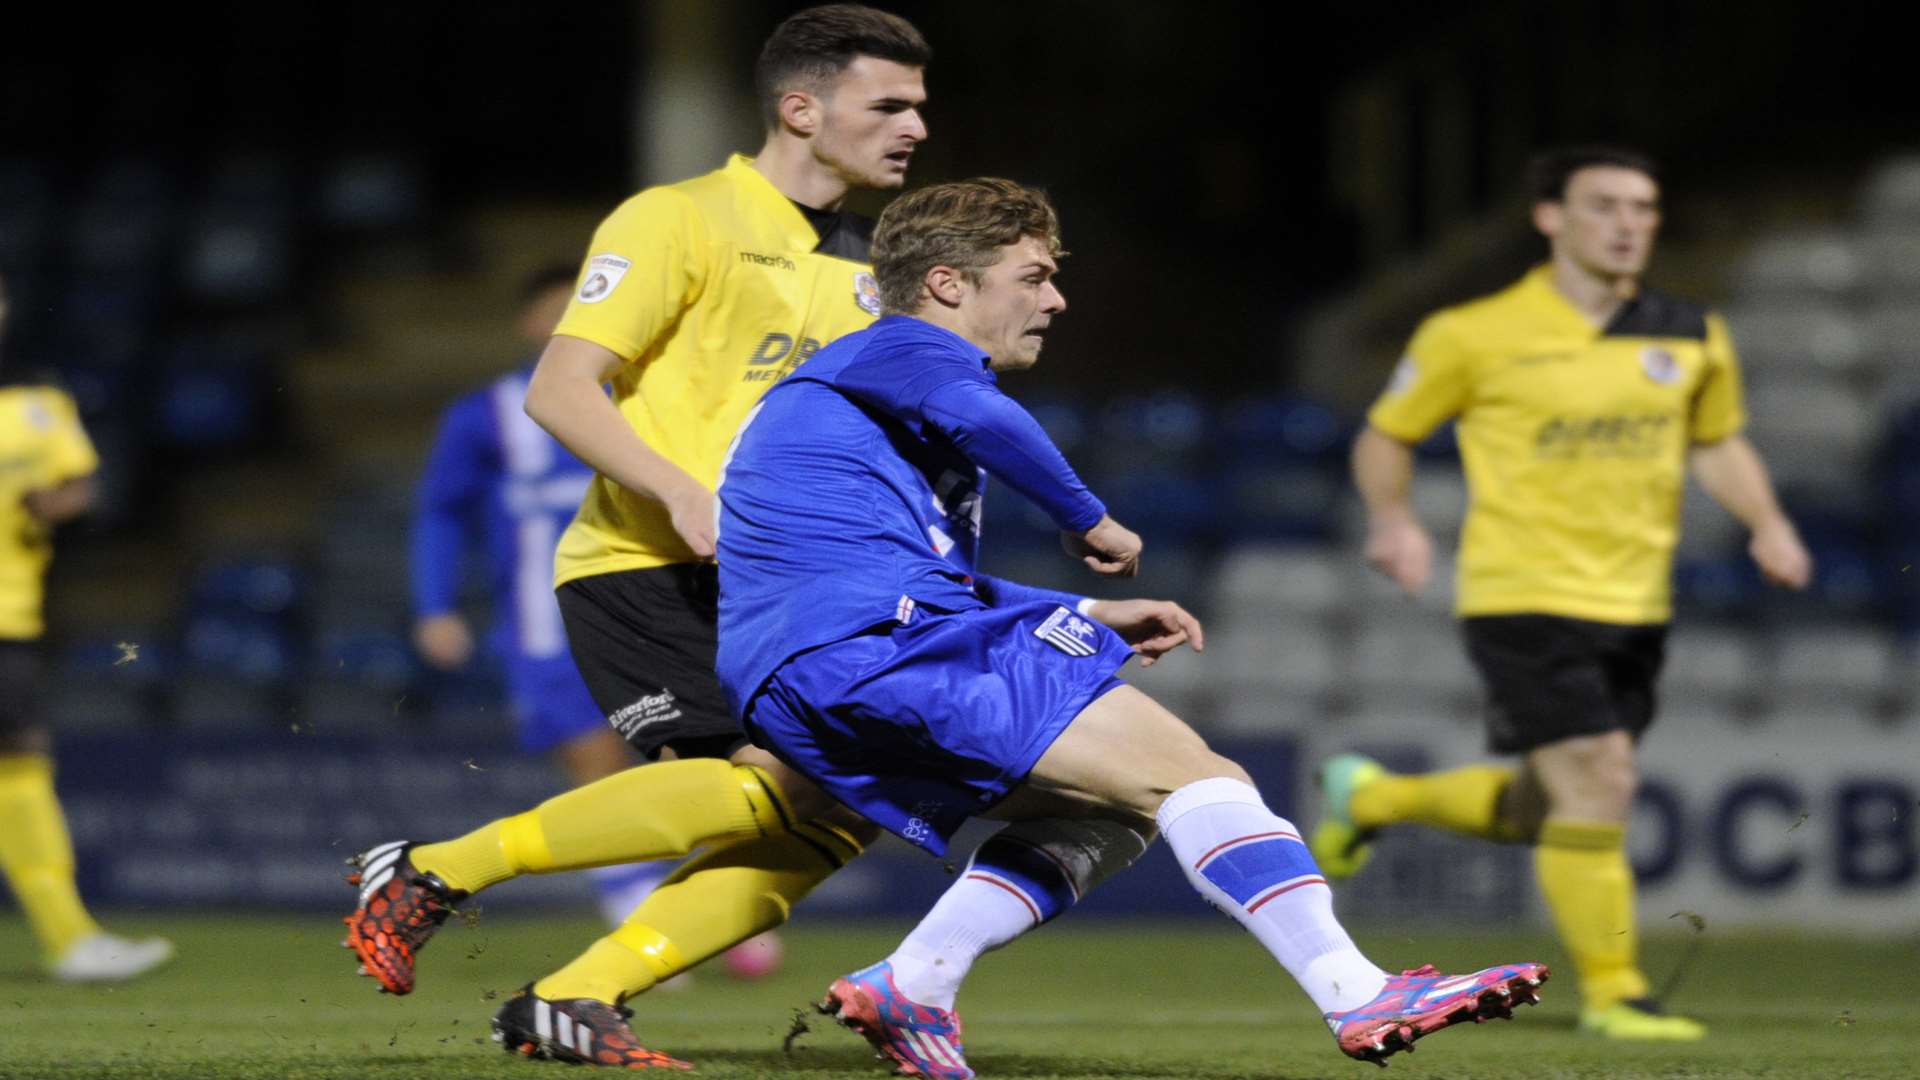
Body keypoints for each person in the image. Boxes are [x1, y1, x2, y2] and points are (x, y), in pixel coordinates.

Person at [714, 177, 1549, 1080]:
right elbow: (987, 419)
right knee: (1198, 776)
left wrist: (1075, 609)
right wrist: (1086, 518)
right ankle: (1356, 991)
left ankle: (915, 980)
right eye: (1032, 276)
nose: (1055, 298)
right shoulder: (904, 351)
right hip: (875, 646)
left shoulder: (859, 399)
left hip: (809, 670)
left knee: (1115, 815)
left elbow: (903, 569)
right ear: (949, 283)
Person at [343, 5, 929, 1066]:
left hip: (780, 582)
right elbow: (561, 393)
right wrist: (677, 491)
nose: (915, 126)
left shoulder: (873, 266)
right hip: (648, 564)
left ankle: (575, 996)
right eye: (889, 104)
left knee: (839, 813)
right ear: (801, 108)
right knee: (770, 786)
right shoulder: (676, 219)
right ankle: (434, 868)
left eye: (920, 106)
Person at [1311, 146, 1812, 1042]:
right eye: (1607, 205)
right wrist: (1394, 521)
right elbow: (1386, 435)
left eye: (1645, 208)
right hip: (1523, 594)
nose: (1629, 224)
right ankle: (1618, 991)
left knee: (1554, 805)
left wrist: (1767, 521)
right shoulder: (1474, 331)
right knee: (1602, 778)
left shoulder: (1690, 331)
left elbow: (1718, 441)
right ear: (1551, 217)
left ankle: (1374, 800)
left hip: (1636, 605)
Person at [408, 266, 775, 978]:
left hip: (663, 610)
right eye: (556, 312)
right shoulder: (486, 413)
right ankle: (640, 925)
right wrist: (435, 606)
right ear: (527, 325)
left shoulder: (653, 399)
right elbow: (440, 513)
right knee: (593, 761)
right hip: (544, 623)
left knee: (693, 766)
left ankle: (692, 907)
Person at [0, 272, 173, 982]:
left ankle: (71, 936)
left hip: (9, 610)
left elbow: (79, 486)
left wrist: (57, 501)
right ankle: (69, 937)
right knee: (19, 759)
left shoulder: (36, 401)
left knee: (19, 759)